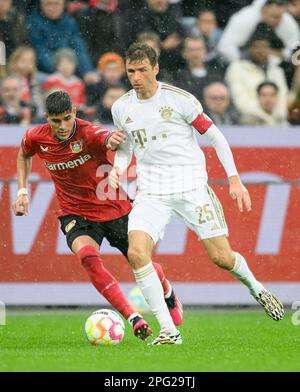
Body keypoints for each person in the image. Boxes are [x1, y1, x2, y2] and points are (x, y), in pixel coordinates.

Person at [109, 43, 284, 346]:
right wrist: (118, 167)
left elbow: (215, 136)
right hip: (152, 192)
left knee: (222, 257)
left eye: (141, 70)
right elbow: (126, 148)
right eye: (131, 71)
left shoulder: (179, 100)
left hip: (191, 188)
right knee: (137, 253)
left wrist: (234, 180)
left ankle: (256, 287)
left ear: (155, 69)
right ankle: (168, 331)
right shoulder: (121, 107)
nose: (135, 77)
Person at [11, 90, 183, 341]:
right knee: (88, 257)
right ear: (46, 117)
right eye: (55, 120)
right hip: (75, 213)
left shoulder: (89, 132)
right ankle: (133, 317)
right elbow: (23, 154)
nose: (62, 126)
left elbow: (107, 139)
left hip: (115, 208)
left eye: (67, 118)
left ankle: (166, 290)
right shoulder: (35, 137)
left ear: (74, 112)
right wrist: (23, 191)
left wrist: (113, 141)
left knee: (140, 262)